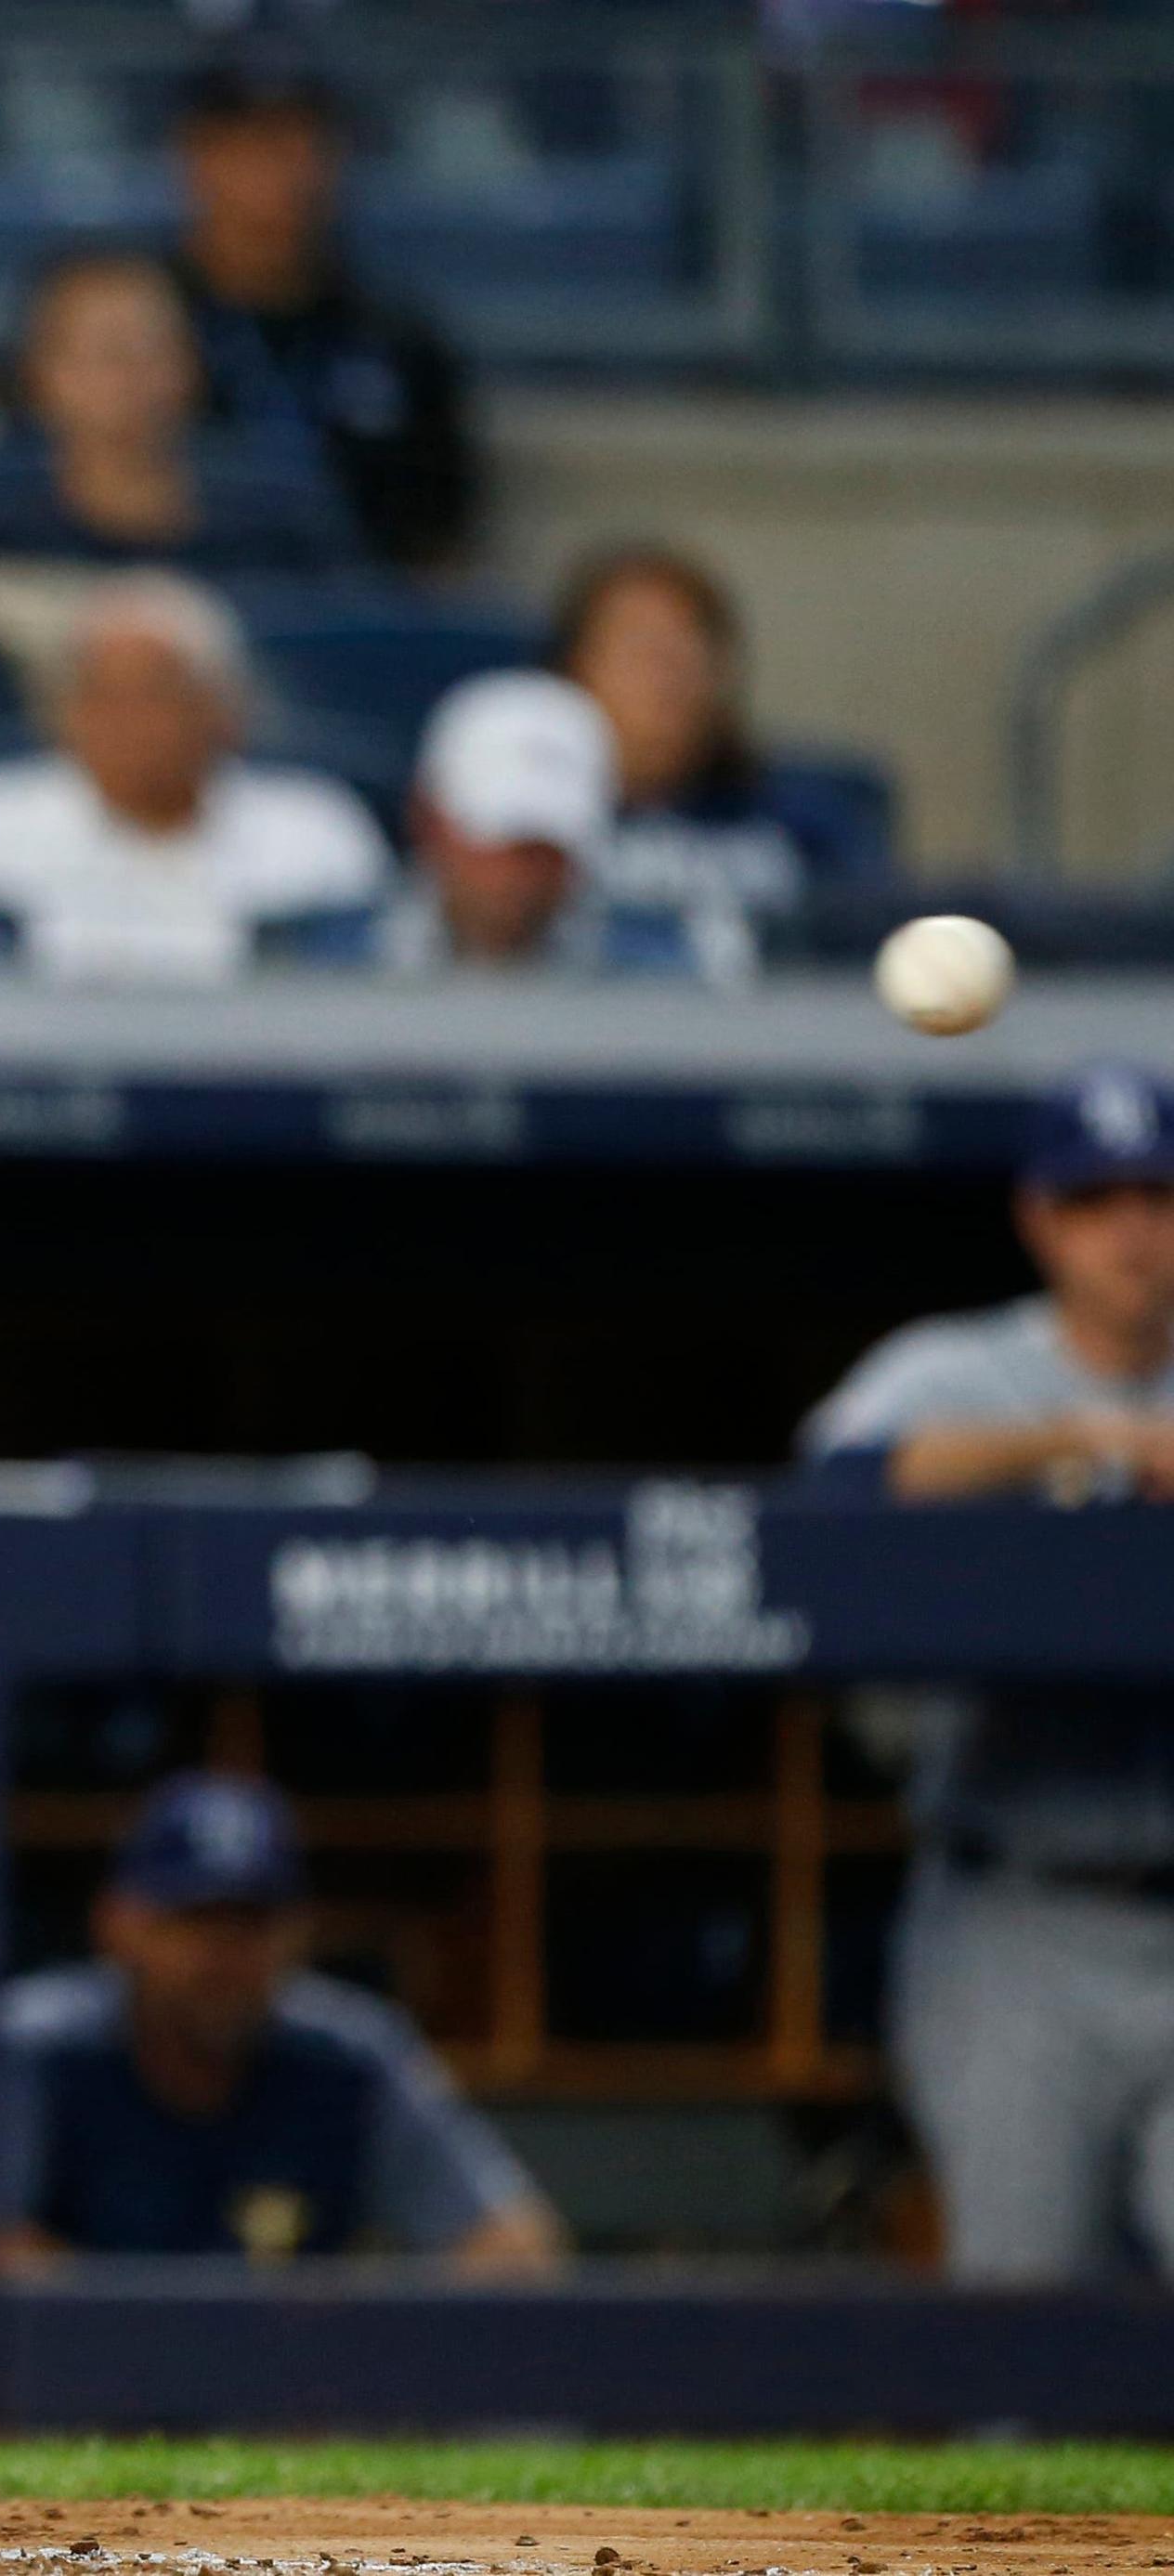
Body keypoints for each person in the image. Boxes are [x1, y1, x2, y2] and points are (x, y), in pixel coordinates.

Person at [800, 1064, 1174, 2283]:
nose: (1130, 1229)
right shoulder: (964, 1371)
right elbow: (834, 1491)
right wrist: (1079, 1443)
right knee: (1020, 2301)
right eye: (1096, 1199)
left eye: (1156, 1196)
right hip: (1015, 1906)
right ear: (1040, 1218)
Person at [0, 1774, 566, 2273]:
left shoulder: (349, 2054)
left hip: (295, 2390)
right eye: (194, 1920)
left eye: (251, 1922)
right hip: (82, 2392)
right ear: (118, 1924)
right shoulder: (36, 2045)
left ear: (298, 1933)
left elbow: (514, 2251)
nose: (224, 1953)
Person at [0, 571, 385, 984]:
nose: (128, 722)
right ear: (63, 714)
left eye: (155, 694)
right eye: (102, 695)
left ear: (222, 708)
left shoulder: (315, 833)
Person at [166, 44, 477, 575]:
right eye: (250, 144)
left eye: (298, 142)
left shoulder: (398, 339)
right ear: (197, 156)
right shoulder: (133, 320)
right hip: (176, 609)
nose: (277, 170)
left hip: (355, 615)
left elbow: (440, 536)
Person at [0, 246, 358, 579]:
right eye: (105, 352)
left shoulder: (281, 515)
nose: (130, 377)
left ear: (192, 367)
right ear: (39, 373)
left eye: (152, 348)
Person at [554, 545, 879, 922]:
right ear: (574, 671)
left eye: (687, 652)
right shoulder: (525, 828)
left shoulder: (804, 826)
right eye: (640, 650)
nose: (666, 680)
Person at [377, 670, 752, 984]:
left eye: (552, 846)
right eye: (498, 836)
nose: (521, 874)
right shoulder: (328, 956)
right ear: (426, 820)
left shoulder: (677, 966)